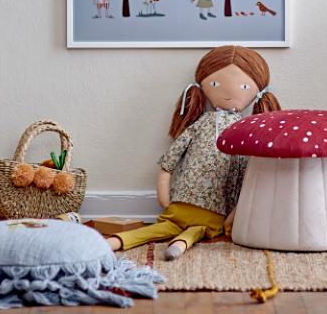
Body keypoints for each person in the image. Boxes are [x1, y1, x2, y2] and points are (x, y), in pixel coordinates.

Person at [107, 46, 280, 260]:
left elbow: (248, 179)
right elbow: (171, 159)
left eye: (244, 86)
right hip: (183, 204)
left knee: (193, 230)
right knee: (172, 229)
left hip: (215, 211)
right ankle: (115, 242)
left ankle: (177, 244)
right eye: (215, 84)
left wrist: (232, 215)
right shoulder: (201, 124)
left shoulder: (245, 132)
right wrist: (165, 198)